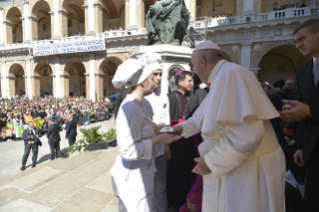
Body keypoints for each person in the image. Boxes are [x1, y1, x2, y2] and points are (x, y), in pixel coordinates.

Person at [174, 41, 285, 212]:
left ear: (202, 61)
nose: (194, 71)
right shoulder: (223, 76)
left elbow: (247, 135)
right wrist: (175, 131)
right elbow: (200, 118)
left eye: (194, 65)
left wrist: (210, 161)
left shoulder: (231, 75)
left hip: (252, 166)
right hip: (241, 162)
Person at [110, 58, 181, 212]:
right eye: (151, 77)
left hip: (141, 174)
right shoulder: (131, 108)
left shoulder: (141, 104)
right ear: (142, 81)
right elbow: (128, 150)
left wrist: (159, 131)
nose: (156, 81)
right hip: (132, 181)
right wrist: (159, 139)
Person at [279, 19, 319, 212]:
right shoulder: (303, 72)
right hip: (313, 152)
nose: (297, 45)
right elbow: (303, 116)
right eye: (295, 41)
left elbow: (307, 110)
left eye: (302, 39)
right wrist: (300, 147)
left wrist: (311, 111)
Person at [140, 53, 171, 212]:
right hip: (143, 151)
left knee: (160, 187)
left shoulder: (164, 96)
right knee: (144, 188)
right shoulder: (138, 96)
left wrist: (166, 145)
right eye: (155, 74)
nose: (159, 78)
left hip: (159, 151)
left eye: (160, 74)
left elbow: (166, 122)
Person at [166, 70, 199, 210]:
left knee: (191, 168)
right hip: (175, 141)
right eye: (189, 81)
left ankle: (191, 198)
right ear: (180, 82)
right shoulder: (168, 97)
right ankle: (176, 200)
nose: (192, 83)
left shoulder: (196, 97)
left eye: (192, 81)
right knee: (175, 171)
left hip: (191, 140)